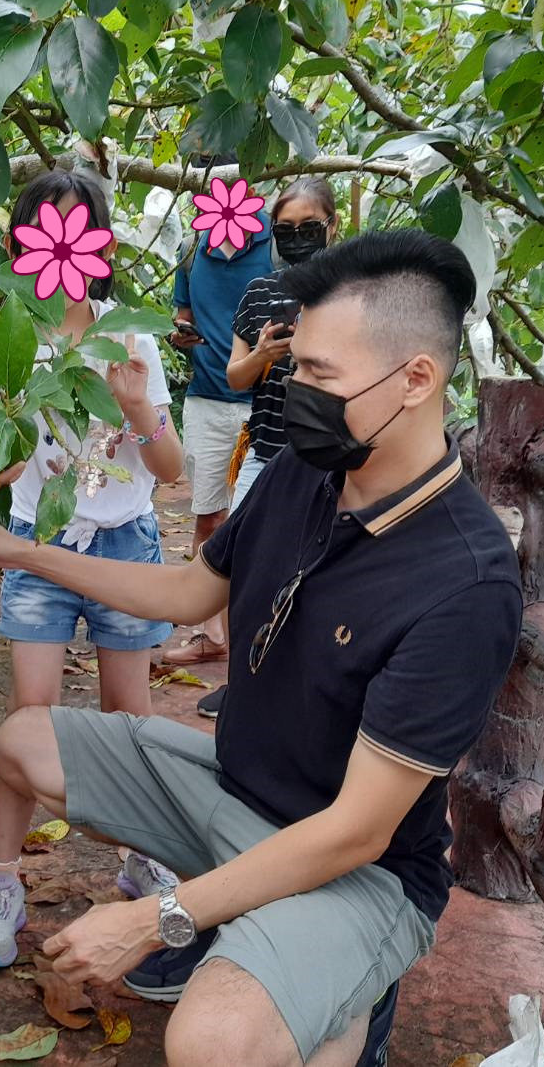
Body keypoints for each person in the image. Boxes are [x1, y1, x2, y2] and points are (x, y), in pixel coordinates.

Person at [0, 229, 523, 1067]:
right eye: (298, 367)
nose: (295, 392)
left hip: (356, 867)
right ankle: (257, 932)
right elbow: (190, 591)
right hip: (234, 792)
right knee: (23, 740)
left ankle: (336, 972)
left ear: (415, 380)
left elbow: (356, 833)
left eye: (321, 376)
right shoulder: (308, 472)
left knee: (215, 1042)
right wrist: (25, 554)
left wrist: (154, 919)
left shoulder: (464, 582)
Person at [0, 170, 186, 968]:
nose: (59, 242)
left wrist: (133, 408)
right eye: (42, 228)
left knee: (130, 716)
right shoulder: (8, 338)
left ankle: (140, 855)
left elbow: (167, 468)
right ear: (21, 245)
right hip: (38, 546)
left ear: (100, 244)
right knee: (29, 717)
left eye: (75, 226)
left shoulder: (133, 340)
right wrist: (9, 427)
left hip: (124, 544)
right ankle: (0, 878)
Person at [197, 177, 340, 721]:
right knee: (244, 569)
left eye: (309, 228)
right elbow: (236, 378)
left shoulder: (350, 292)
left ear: (332, 226)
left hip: (328, 461)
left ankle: (297, 690)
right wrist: (263, 355)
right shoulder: (260, 293)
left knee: (315, 576)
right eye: (286, 230)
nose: (298, 238)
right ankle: (242, 682)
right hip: (266, 452)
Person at [161, 186, 273, 667]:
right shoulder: (193, 250)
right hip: (208, 399)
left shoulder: (275, 249)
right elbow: (181, 315)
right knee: (209, 517)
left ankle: (258, 632)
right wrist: (179, 333)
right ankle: (212, 632)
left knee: (263, 523)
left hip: (266, 402)